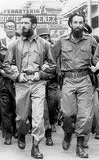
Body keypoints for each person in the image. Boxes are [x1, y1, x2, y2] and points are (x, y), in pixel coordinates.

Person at [2, 14, 55, 159]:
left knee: (38, 118)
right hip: (21, 84)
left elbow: (53, 65)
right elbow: (5, 65)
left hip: (38, 83)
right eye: (22, 23)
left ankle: (35, 146)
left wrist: (41, 74)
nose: (23, 25)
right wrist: (17, 75)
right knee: (21, 118)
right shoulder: (14, 44)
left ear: (34, 25)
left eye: (26, 23)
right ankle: (21, 134)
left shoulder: (45, 44)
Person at [52, 13, 97, 158]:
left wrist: (96, 66)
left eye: (81, 22)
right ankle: (67, 133)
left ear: (84, 24)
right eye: (75, 22)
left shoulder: (90, 40)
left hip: (85, 80)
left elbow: (97, 57)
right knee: (67, 114)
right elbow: (52, 59)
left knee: (84, 116)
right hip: (68, 80)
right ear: (70, 24)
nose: (78, 25)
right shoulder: (61, 41)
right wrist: (58, 73)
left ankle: (79, 145)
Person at [37, 28, 59, 146]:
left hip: (53, 82)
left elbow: (58, 65)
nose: (45, 39)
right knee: (44, 110)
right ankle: (48, 134)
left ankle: (53, 120)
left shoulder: (55, 48)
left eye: (47, 37)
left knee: (53, 104)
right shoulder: (36, 48)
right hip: (40, 82)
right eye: (42, 37)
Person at [0, 19, 18, 145]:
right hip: (4, 81)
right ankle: (7, 135)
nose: (10, 28)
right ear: (4, 29)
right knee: (5, 109)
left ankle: (16, 129)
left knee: (18, 107)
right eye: (8, 27)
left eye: (12, 26)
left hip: (18, 81)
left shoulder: (20, 42)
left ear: (15, 29)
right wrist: (1, 70)